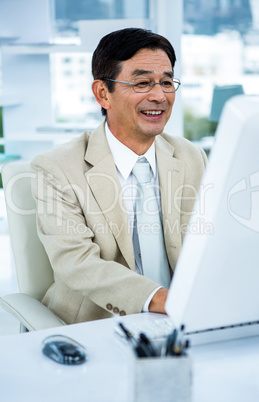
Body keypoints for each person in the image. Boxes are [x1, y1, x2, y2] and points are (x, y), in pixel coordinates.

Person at [31, 28, 207, 325]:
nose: (159, 96)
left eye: (167, 82)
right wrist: (161, 299)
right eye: (142, 83)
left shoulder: (191, 156)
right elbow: (78, 263)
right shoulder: (56, 168)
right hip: (97, 323)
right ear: (103, 94)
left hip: (184, 319)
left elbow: (209, 242)